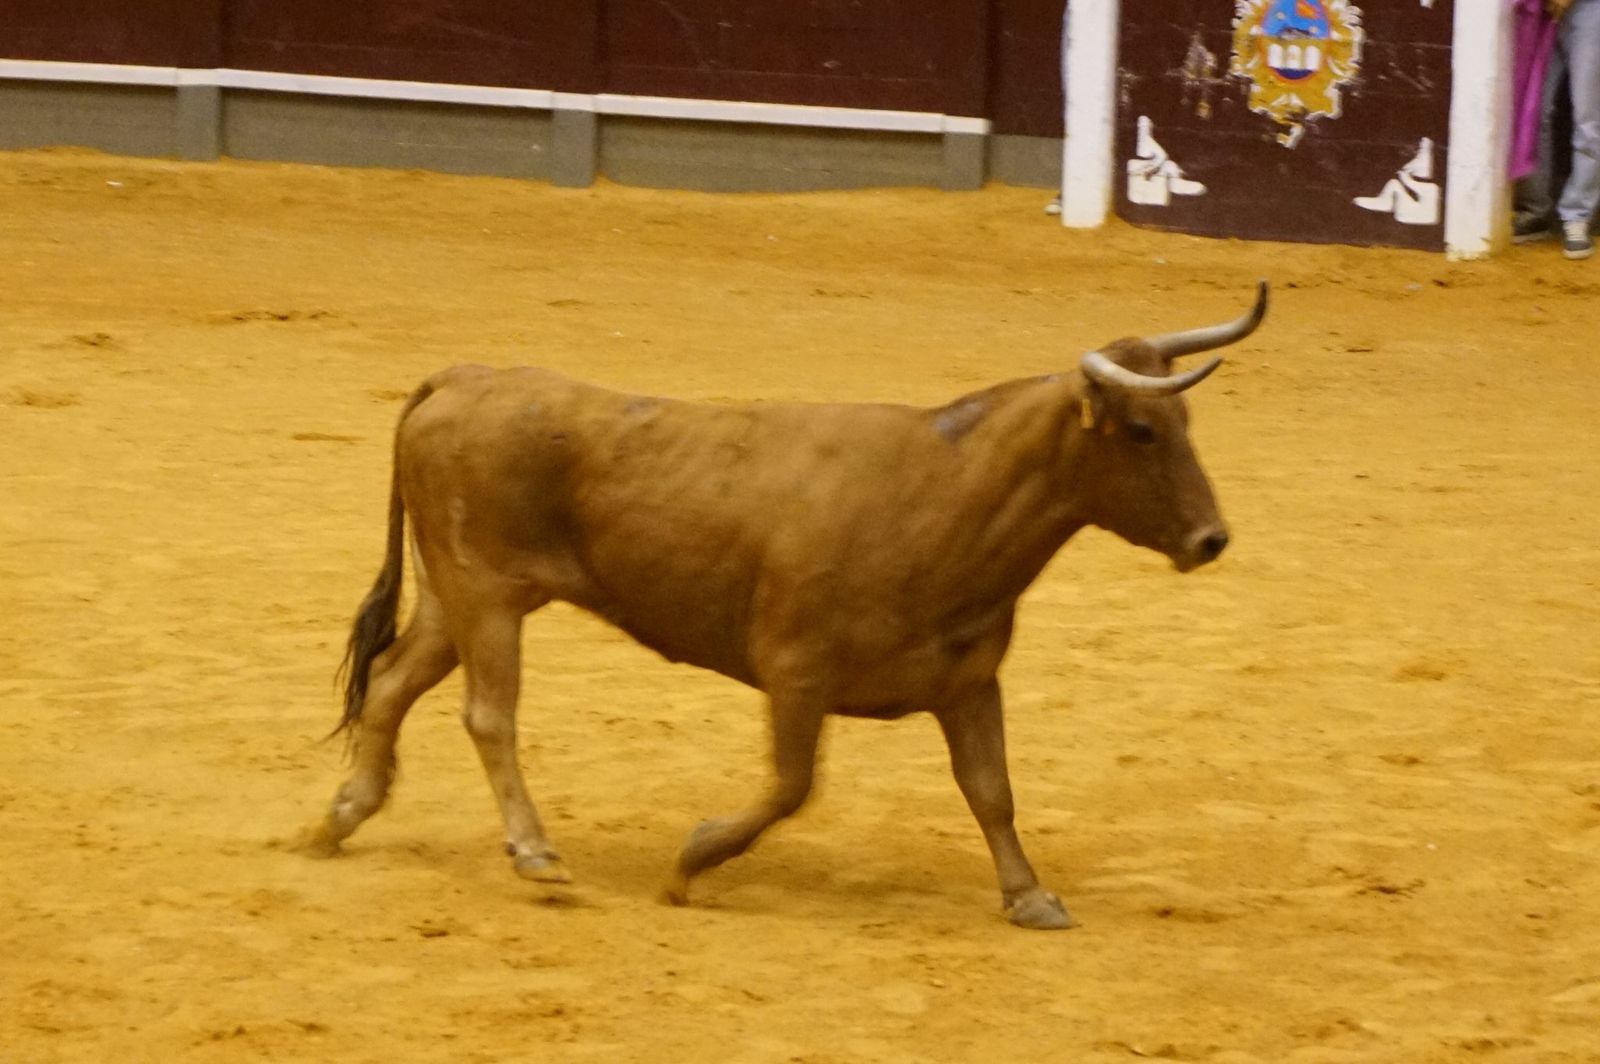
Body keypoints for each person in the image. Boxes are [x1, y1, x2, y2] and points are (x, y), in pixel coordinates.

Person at [1518, 0, 1600, 259]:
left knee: (1587, 118)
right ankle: (1534, 210)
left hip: (1590, 9)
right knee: (1532, 113)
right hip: (1539, 8)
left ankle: (1577, 215)